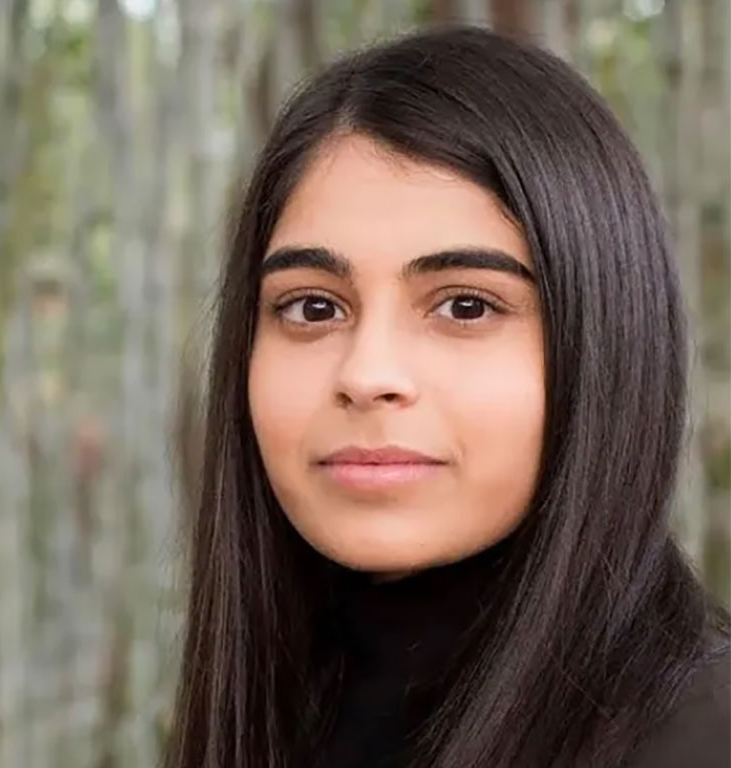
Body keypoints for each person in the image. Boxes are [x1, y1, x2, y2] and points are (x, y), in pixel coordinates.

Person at [163, 23, 730, 768]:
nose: (367, 375)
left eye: (465, 306)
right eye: (313, 307)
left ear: (605, 344)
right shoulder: (275, 709)